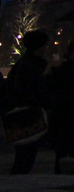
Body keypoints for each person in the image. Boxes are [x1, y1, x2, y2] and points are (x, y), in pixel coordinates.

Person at [7, 30, 50, 174]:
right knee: (25, 157)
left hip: (22, 115)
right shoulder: (31, 66)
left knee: (23, 157)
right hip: (28, 117)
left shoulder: (24, 64)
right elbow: (30, 92)